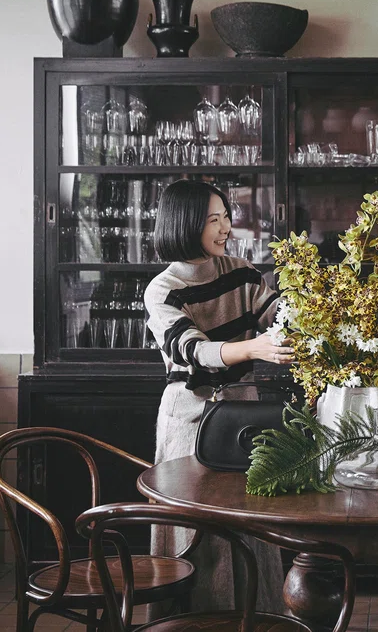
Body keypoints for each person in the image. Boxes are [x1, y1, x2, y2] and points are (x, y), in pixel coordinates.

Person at [144, 179, 294, 614]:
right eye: (214, 219)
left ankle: (257, 619)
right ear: (186, 223)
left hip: (242, 413)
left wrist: (308, 310)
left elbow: (278, 313)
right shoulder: (163, 290)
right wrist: (253, 348)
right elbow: (193, 350)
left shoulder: (241, 272)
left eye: (226, 216)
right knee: (197, 529)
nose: (226, 227)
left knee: (251, 527)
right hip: (189, 416)